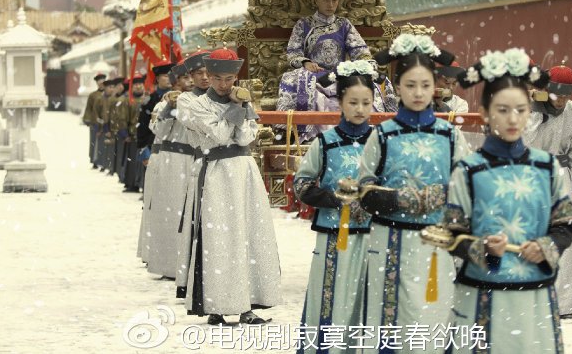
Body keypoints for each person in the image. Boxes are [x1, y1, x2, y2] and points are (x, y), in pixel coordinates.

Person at [427, 49, 572, 353]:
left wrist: (545, 246)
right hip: (480, 295)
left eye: (521, 110)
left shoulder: (547, 168)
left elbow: (565, 225)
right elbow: (450, 234)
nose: (513, 119)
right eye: (503, 109)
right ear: (484, 112)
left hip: (534, 296)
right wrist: (480, 249)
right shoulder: (468, 171)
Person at [345, 33, 468, 353]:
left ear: (435, 87)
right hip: (390, 242)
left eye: (425, 85)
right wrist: (402, 199)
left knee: (433, 319)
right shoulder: (383, 135)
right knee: (391, 322)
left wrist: (443, 198)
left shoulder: (450, 135)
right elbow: (365, 189)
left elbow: (467, 187)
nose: (418, 93)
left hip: (435, 242)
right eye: (410, 85)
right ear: (397, 87)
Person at [178, 48, 280, 325]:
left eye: (230, 79)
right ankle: (217, 305)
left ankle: (246, 304)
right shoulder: (192, 103)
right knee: (220, 239)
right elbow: (220, 135)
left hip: (244, 172)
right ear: (208, 77)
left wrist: (243, 109)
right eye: (219, 79)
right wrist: (236, 109)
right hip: (216, 172)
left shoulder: (241, 102)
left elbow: (246, 136)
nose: (225, 85)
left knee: (248, 234)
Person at [294, 61, 376, 353]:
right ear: (340, 102)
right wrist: (332, 198)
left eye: (366, 102)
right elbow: (302, 185)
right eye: (353, 102)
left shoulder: (380, 143)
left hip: (371, 236)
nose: (359, 109)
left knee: (366, 299)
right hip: (333, 236)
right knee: (330, 297)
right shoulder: (325, 143)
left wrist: (371, 197)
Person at [277, 0, 385, 140]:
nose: (331, 4)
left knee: (373, 81)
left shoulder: (344, 24)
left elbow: (359, 50)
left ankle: (369, 133)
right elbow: (293, 52)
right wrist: (305, 63)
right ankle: (308, 135)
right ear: (316, 0)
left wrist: (366, 64)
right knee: (303, 85)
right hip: (312, 75)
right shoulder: (303, 24)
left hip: (340, 75)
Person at [523, 61, 572, 318]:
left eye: (566, 95)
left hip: (561, 177)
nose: (561, 100)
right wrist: (538, 112)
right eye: (557, 94)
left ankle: (564, 303)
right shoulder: (529, 108)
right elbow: (523, 140)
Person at [139, 61, 196, 276]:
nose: (191, 81)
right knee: (171, 212)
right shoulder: (163, 104)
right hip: (172, 162)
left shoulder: (203, 102)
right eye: (186, 78)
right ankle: (169, 262)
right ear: (176, 82)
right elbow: (156, 129)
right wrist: (170, 108)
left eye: (195, 76)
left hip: (195, 159)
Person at [129, 64, 172, 193]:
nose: (169, 78)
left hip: (173, 149)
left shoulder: (180, 97)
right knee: (153, 186)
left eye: (171, 75)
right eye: (165, 75)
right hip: (154, 147)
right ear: (157, 78)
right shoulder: (149, 100)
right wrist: (144, 150)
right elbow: (142, 126)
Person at [119, 75, 149, 189]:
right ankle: (131, 183)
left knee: (142, 162)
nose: (138, 87)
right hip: (132, 135)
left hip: (144, 135)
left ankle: (140, 183)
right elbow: (122, 118)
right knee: (131, 161)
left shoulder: (147, 99)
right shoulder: (128, 101)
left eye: (140, 84)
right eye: (135, 85)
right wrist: (125, 134)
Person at [84, 73, 107, 167]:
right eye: (99, 80)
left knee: (104, 142)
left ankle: (104, 161)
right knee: (94, 142)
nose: (101, 82)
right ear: (97, 83)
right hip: (95, 122)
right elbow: (88, 109)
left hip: (105, 122)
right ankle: (94, 160)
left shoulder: (108, 94)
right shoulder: (93, 95)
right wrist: (88, 120)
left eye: (102, 80)